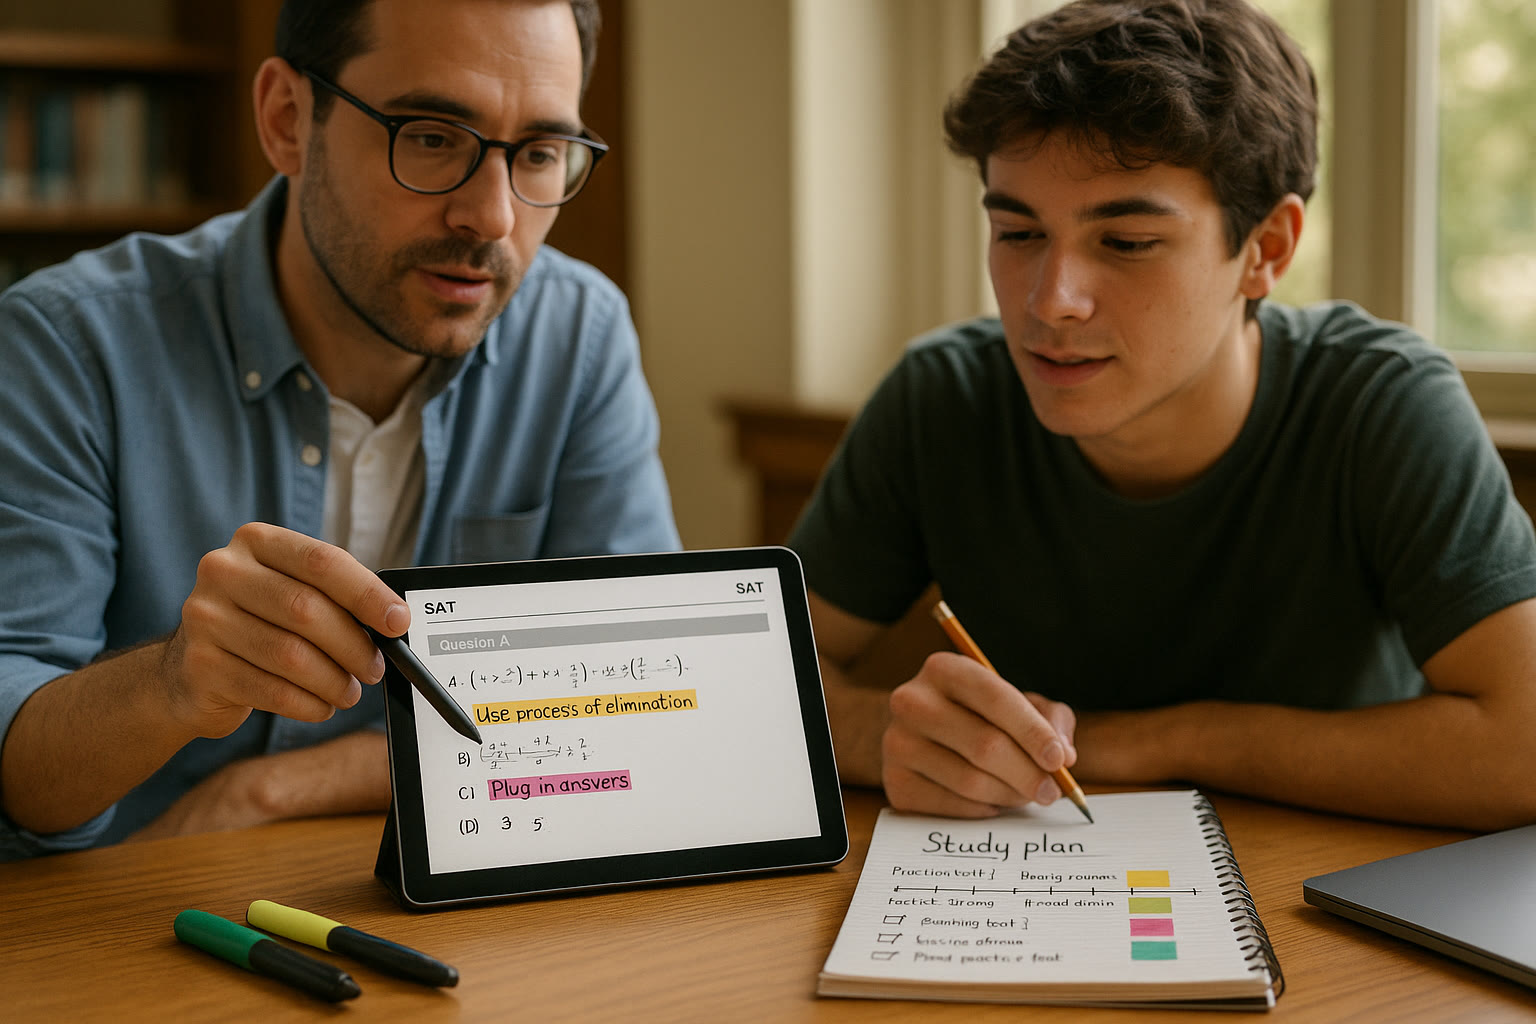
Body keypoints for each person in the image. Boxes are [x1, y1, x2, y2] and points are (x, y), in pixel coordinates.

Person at [791, 0, 1536, 832]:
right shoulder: (943, 396)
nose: (1052, 301)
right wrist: (883, 737)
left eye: (1127, 242)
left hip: (1332, 906)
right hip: (1032, 902)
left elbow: (1526, 747)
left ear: (1267, 250)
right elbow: (762, 684)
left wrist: (1160, 742)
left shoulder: (1380, 401)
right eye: (1017, 232)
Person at [0, 0, 678, 861]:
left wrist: (275, 789)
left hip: (435, 905)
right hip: (126, 924)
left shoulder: (577, 339)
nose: (494, 218)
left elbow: (635, 703)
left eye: (539, 154)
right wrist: (174, 684)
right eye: (433, 137)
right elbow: (13, 767)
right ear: (288, 120)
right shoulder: (68, 346)